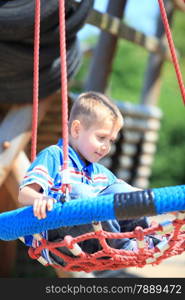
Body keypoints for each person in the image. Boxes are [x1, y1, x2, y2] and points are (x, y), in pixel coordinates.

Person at [18, 91, 158, 266]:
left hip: (95, 243)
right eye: (101, 137)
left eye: (111, 140)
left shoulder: (99, 171)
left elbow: (128, 194)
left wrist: (160, 203)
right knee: (79, 193)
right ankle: (123, 248)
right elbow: (24, 194)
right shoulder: (54, 155)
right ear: (76, 129)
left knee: (120, 191)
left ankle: (146, 238)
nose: (106, 147)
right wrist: (41, 198)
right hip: (60, 240)